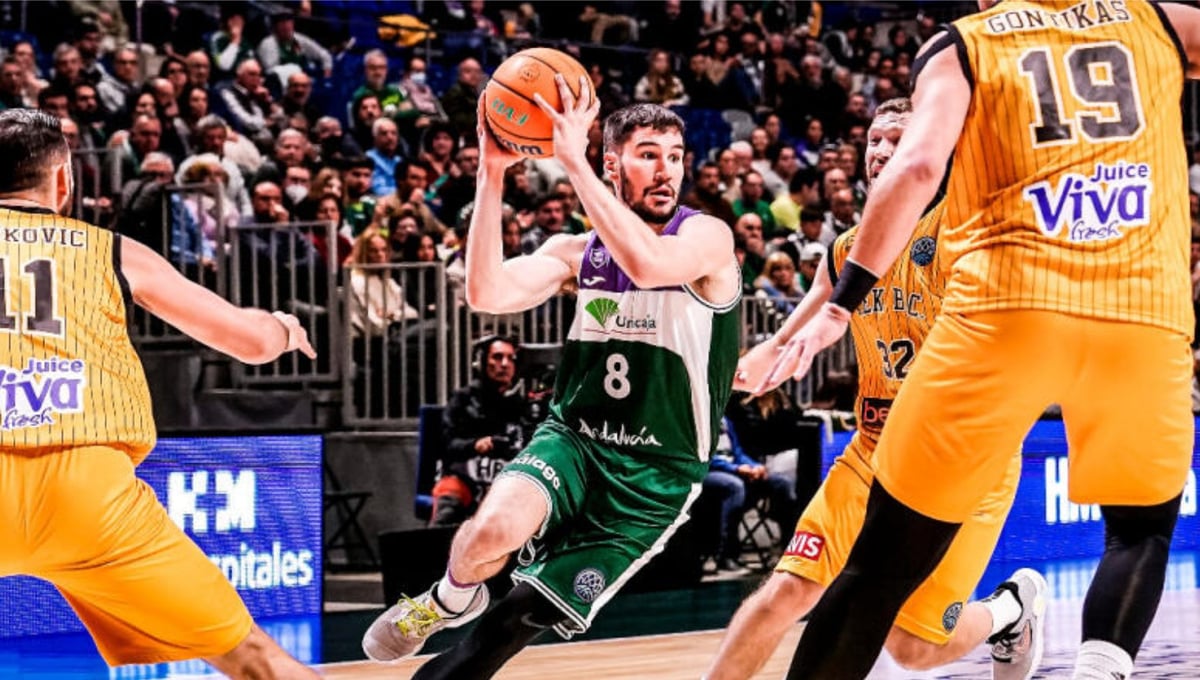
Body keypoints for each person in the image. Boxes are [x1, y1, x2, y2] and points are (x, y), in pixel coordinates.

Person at [777, 3, 1200, 678]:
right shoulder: (1156, 20)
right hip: (1135, 312)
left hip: (1004, 318)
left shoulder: (963, 45)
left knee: (879, 563)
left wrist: (841, 301)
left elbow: (916, 168)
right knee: (1139, 530)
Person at [361, 85, 742, 677]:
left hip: (656, 476)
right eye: (648, 154)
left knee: (513, 622)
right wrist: (491, 174)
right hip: (577, 439)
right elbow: (485, 293)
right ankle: (448, 599)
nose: (666, 169)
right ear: (612, 164)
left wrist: (572, 162)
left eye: (674, 155)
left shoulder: (706, 237)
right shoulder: (576, 252)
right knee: (491, 529)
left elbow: (649, 266)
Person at [707, 98, 1033, 680]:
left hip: (965, 460)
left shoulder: (962, 226)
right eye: (874, 141)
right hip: (873, 450)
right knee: (786, 590)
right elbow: (793, 331)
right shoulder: (847, 249)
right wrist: (756, 362)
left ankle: (1010, 610)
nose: (880, 150)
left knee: (912, 645)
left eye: (897, 139)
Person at [0, 109, 318, 677]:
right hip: (88, 494)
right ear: (64, 181)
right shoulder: (110, 250)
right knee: (254, 659)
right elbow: (248, 343)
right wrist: (281, 327)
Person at [434, 335, 531, 527]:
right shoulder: (463, 400)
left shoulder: (522, 406)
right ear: (481, 363)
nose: (505, 364)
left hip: (506, 484)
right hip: (463, 479)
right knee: (448, 507)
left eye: (510, 359)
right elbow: (446, 445)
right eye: (497, 357)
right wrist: (476, 445)